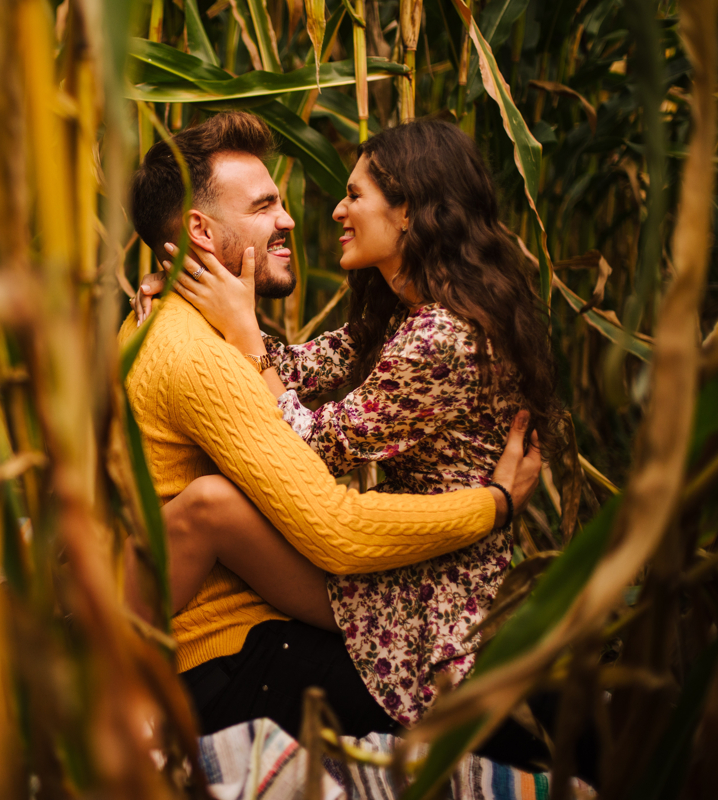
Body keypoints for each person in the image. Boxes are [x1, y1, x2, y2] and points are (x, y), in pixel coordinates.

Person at [131, 117, 560, 758]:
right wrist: (218, 312)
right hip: (400, 559)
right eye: (266, 203)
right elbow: (301, 372)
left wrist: (240, 333)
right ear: (199, 230)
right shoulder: (395, 315)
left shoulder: (440, 336)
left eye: (355, 195)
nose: (324, 211)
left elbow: (323, 452)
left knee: (214, 507)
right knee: (213, 507)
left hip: (433, 586)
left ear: (410, 213)